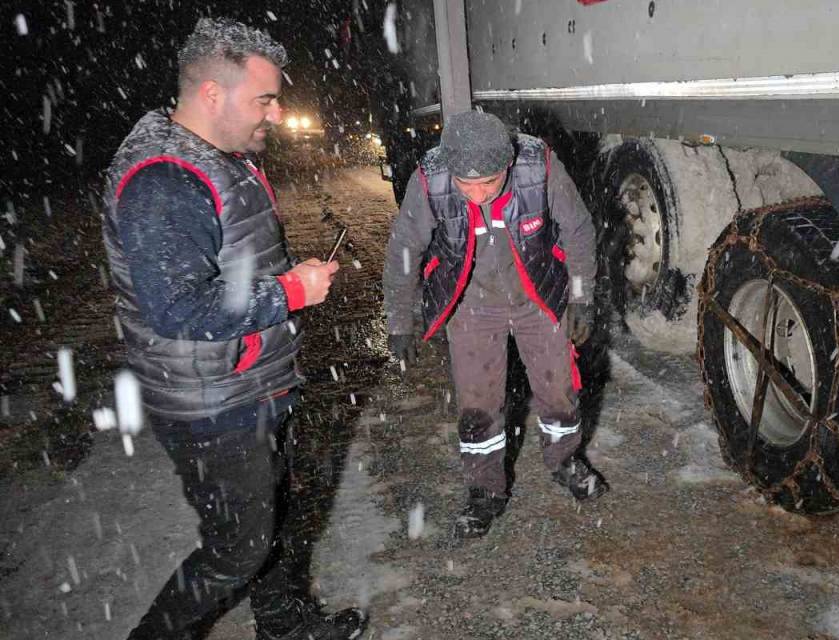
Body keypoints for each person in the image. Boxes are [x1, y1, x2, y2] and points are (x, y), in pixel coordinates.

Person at [101, 17, 367, 640]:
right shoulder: (164, 179)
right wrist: (292, 292)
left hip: (248, 383)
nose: (276, 114)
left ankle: (284, 626)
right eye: (265, 100)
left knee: (274, 516)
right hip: (212, 404)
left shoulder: (222, 156)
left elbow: (233, 263)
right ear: (212, 94)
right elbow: (179, 308)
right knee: (237, 550)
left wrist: (286, 280)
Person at [383, 110, 606, 539]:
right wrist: (400, 319)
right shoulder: (430, 179)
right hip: (472, 304)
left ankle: (565, 460)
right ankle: (484, 489)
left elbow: (577, 229)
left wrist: (581, 298)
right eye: (466, 185)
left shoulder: (538, 166)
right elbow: (404, 249)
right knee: (477, 403)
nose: (479, 195)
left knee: (558, 389)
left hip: (536, 294)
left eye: (489, 182)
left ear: (508, 163)